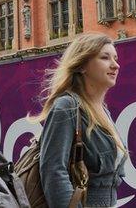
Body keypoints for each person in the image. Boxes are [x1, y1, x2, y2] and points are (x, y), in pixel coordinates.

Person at [35, 33, 127, 208]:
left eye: (115, 58)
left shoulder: (103, 111)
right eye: (105, 58)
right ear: (82, 65)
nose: (115, 65)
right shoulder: (66, 106)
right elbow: (53, 172)